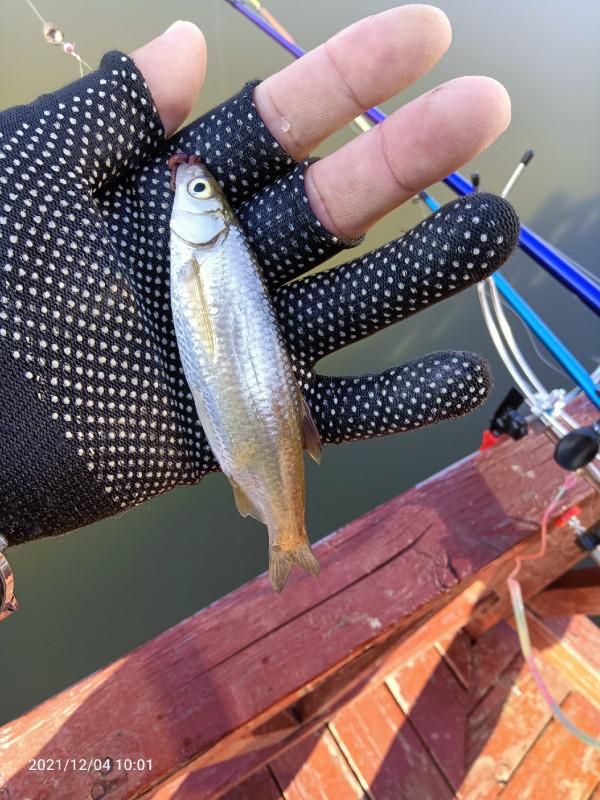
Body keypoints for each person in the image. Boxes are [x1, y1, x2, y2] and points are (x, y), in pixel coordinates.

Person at [0, 7, 519, 555]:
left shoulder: (203, 243)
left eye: (198, 193)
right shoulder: (195, 241)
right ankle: (286, 534)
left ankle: (287, 534)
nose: (191, 190)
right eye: (199, 192)